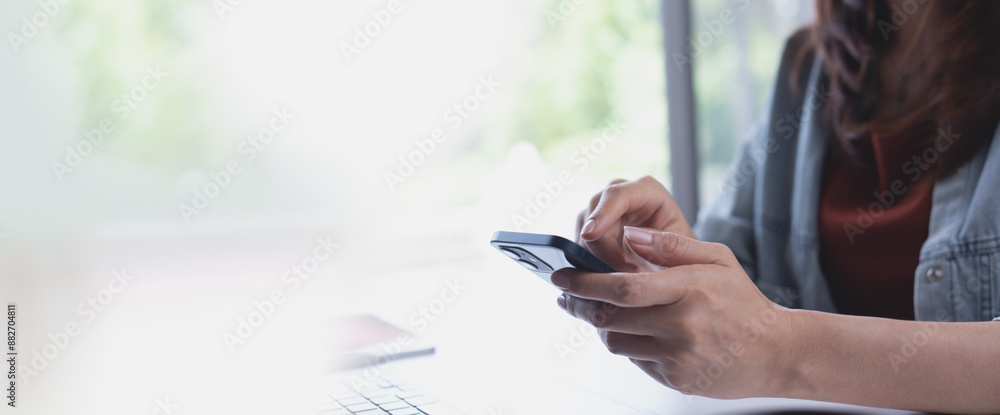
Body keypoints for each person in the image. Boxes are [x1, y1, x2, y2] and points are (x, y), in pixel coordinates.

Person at [552, 0, 1000, 412]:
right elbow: (739, 290)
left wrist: (785, 351)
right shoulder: (809, 64)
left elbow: (763, 337)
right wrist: (668, 258)